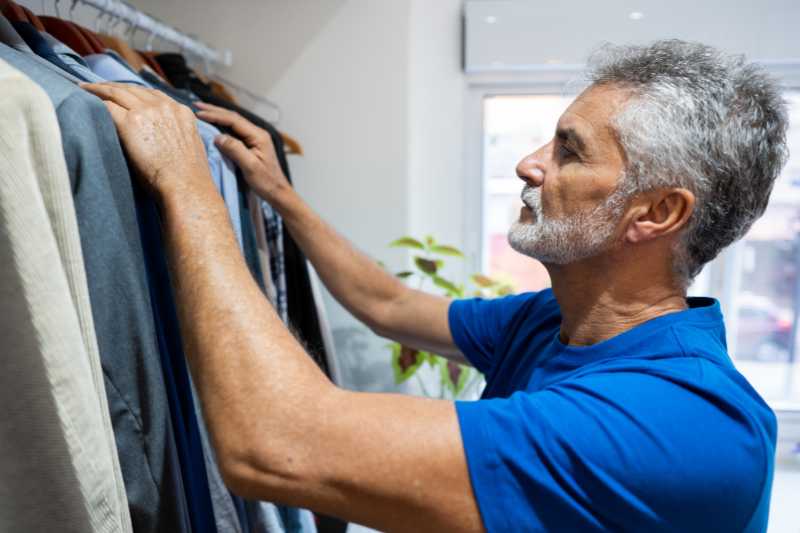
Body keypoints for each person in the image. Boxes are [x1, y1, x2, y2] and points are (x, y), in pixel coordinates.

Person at [82, 39, 788, 532]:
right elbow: (386, 303)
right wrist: (278, 195)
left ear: (657, 213)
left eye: (568, 151)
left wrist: (187, 183)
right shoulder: (553, 320)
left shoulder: (685, 422)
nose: (528, 164)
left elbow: (274, 443)